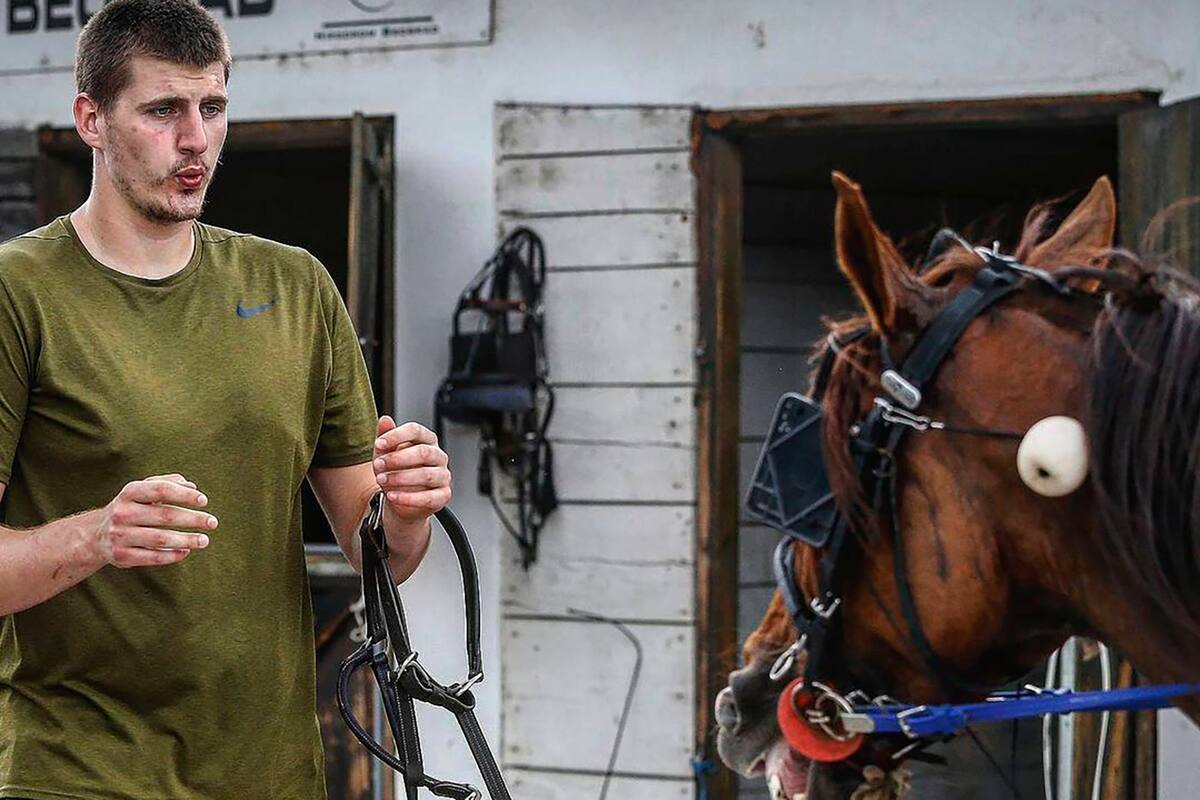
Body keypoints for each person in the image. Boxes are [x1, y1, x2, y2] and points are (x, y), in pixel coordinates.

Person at [0, 1, 452, 798]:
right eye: (163, 110)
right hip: (78, 773)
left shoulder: (296, 286)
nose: (195, 140)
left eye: (212, 108)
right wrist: (97, 537)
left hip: (271, 773)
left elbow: (377, 555)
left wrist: (406, 513)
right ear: (91, 120)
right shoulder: (20, 293)